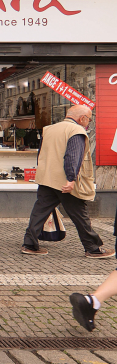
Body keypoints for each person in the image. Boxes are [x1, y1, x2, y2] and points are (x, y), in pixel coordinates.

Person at [21, 105, 115, 258]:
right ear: (82, 118)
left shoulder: (49, 129)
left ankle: (30, 244)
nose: (89, 122)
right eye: (89, 119)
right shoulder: (76, 131)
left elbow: (41, 154)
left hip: (47, 178)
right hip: (64, 181)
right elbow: (73, 157)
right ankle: (93, 248)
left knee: (39, 212)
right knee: (80, 214)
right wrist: (71, 180)